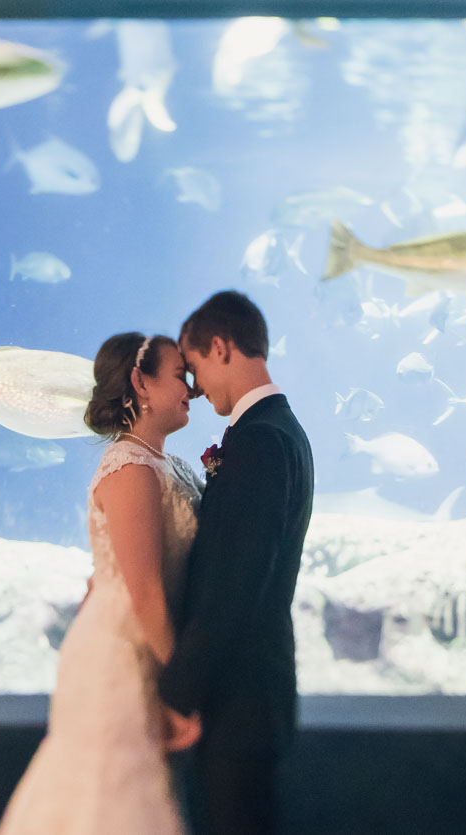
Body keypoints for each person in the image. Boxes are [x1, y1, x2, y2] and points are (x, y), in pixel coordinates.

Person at [0, 331, 204, 835]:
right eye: (180, 376)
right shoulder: (130, 468)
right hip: (119, 657)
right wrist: (182, 690)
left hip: (135, 646)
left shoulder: (162, 464)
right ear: (141, 382)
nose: (192, 390)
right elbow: (145, 592)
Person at [160, 290, 315, 835]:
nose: (195, 388)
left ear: (221, 347)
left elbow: (236, 587)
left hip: (239, 699)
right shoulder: (278, 430)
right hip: (251, 696)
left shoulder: (261, 441)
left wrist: (178, 692)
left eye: (195, 365)